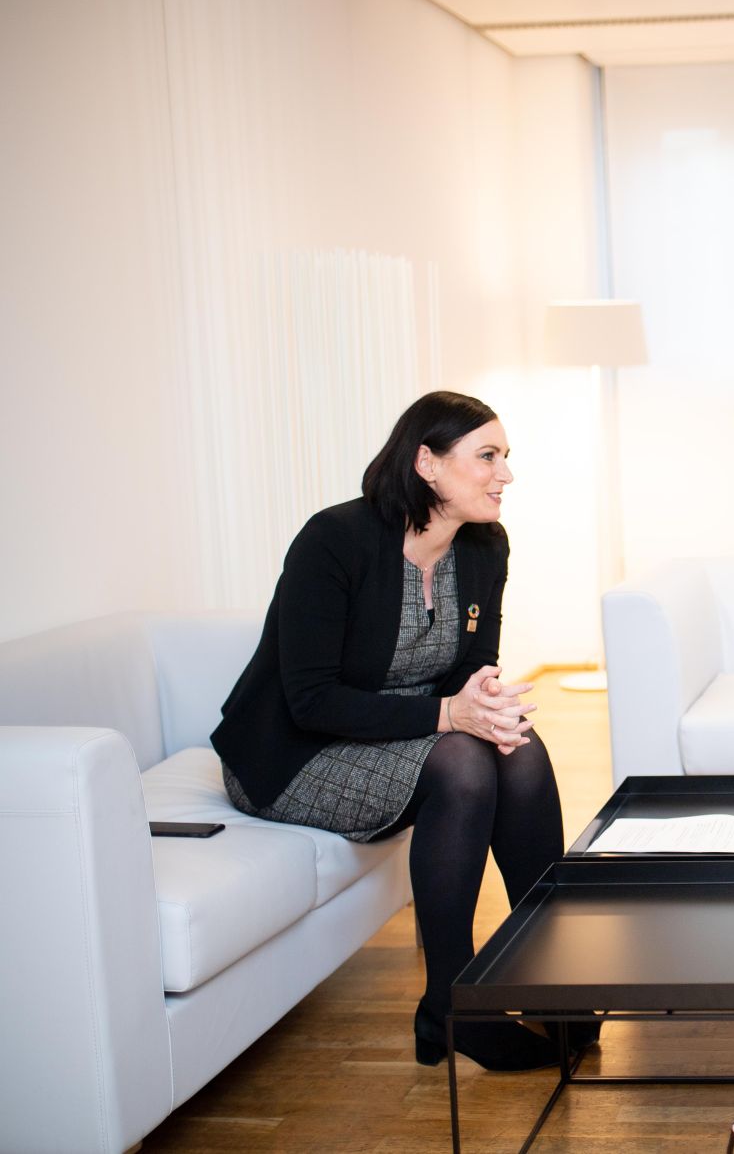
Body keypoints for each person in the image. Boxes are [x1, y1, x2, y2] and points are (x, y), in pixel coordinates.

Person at [212, 390, 585, 1072]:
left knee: (519, 752)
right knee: (463, 764)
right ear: (427, 463)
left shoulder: (484, 545)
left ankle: (551, 980)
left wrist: (485, 702)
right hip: (297, 751)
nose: (506, 474)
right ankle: (451, 1002)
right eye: (488, 456)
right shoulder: (334, 541)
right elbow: (311, 700)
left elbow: (472, 664)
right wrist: (450, 715)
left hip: (401, 731)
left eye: (506, 457)